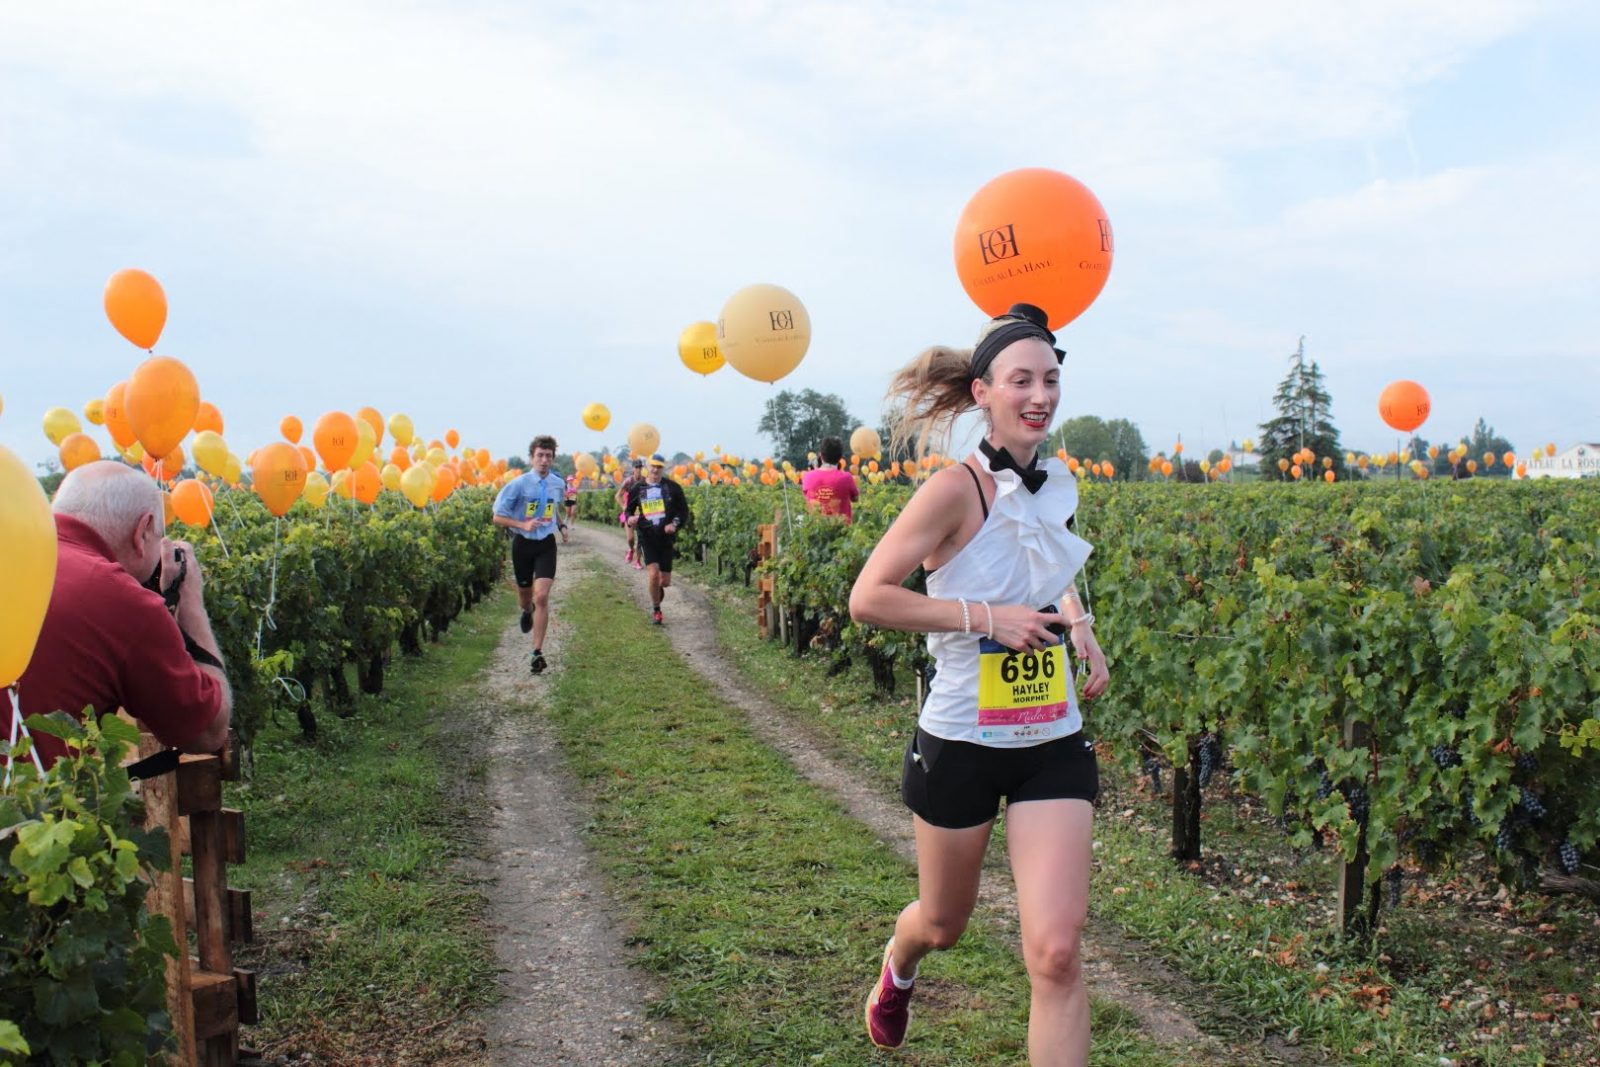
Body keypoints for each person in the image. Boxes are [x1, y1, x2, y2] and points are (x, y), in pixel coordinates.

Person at [847, 304, 1110, 1065]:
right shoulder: (952, 490)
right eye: (1021, 380)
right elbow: (869, 596)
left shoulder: (1056, 482)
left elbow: (1042, 565)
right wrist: (983, 617)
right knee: (943, 921)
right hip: (962, 738)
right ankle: (900, 966)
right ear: (982, 393)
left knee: (1057, 951)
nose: (1041, 394)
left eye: (1051, 380)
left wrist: (1077, 619)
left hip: (1050, 742)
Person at [4, 461, 231, 770]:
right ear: (143, 530)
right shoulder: (123, 600)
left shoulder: (16, 550)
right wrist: (190, 605)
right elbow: (207, 730)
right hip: (22, 813)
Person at [492, 436, 570, 674]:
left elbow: (553, 507)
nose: (544, 460)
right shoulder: (518, 484)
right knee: (527, 599)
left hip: (546, 544)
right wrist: (522, 525)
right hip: (523, 545)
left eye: (548, 456)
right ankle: (526, 611)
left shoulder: (558, 484)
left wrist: (561, 526)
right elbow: (497, 517)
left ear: (553, 459)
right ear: (531, 458)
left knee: (542, 596)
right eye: (540, 455)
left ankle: (537, 652)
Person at [624, 453, 690, 625]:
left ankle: (657, 589)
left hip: (666, 538)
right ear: (647, 466)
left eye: (659, 466)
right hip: (647, 536)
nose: (655, 469)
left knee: (664, 581)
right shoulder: (637, 489)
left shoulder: (673, 488)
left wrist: (674, 524)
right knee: (653, 574)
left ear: (663, 468)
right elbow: (628, 511)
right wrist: (630, 518)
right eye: (652, 466)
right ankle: (656, 610)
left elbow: (683, 511)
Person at [801, 435, 860, 521]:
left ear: (820, 455)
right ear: (840, 457)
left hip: (815, 530)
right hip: (843, 530)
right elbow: (855, 498)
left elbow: (806, 498)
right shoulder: (847, 477)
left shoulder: (808, 476)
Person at [617, 457, 645, 569]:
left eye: (640, 467)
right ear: (633, 469)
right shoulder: (628, 482)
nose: (638, 469)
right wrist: (624, 506)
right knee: (630, 539)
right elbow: (618, 495)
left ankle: (638, 562)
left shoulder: (644, 481)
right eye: (636, 467)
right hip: (629, 513)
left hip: (640, 513)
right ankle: (630, 549)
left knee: (640, 539)